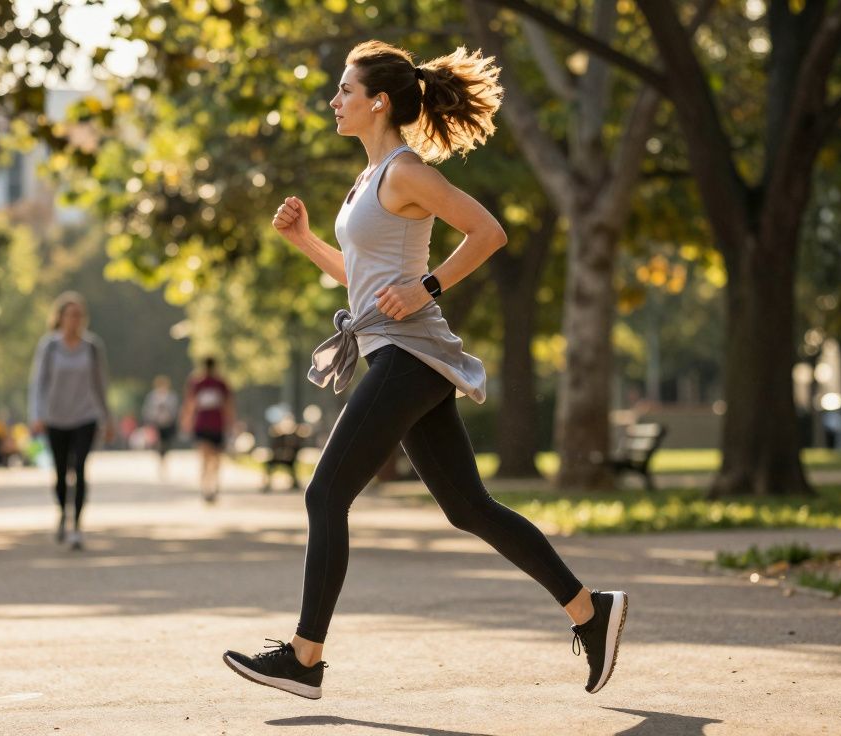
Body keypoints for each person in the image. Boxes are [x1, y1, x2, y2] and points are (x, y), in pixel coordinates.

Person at [221, 41, 628, 700]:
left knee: (325, 494)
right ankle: (591, 610)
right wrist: (304, 242)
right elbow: (364, 278)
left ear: (378, 102)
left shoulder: (406, 172)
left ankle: (304, 657)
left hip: (410, 355)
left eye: (345, 91)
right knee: (468, 506)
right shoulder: (368, 179)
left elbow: (488, 231)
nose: (335, 101)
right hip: (400, 355)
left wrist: (428, 287)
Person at [28, 291, 115, 550]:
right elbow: (38, 384)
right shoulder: (49, 346)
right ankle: (62, 514)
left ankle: (76, 526)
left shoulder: (92, 347)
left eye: (79, 315)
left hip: (85, 416)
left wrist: (108, 419)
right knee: (60, 473)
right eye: (70, 315)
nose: (75, 320)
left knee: (79, 470)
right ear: (60, 317)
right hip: (55, 417)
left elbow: (100, 385)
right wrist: (36, 416)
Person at [180, 357, 235, 504]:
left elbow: (190, 405)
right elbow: (228, 406)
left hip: (209, 425)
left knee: (210, 458)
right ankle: (208, 486)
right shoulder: (201, 383)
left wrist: (186, 422)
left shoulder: (212, 383)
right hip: (209, 426)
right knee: (211, 458)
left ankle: (210, 485)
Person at [142, 375, 180, 480]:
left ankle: (164, 460)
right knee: (159, 445)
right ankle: (161, 461)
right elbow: (147, 410)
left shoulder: (171, 396)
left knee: (167, 444)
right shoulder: (152, 397)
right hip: (157, 424)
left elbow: (175, 410)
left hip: (168, 423)